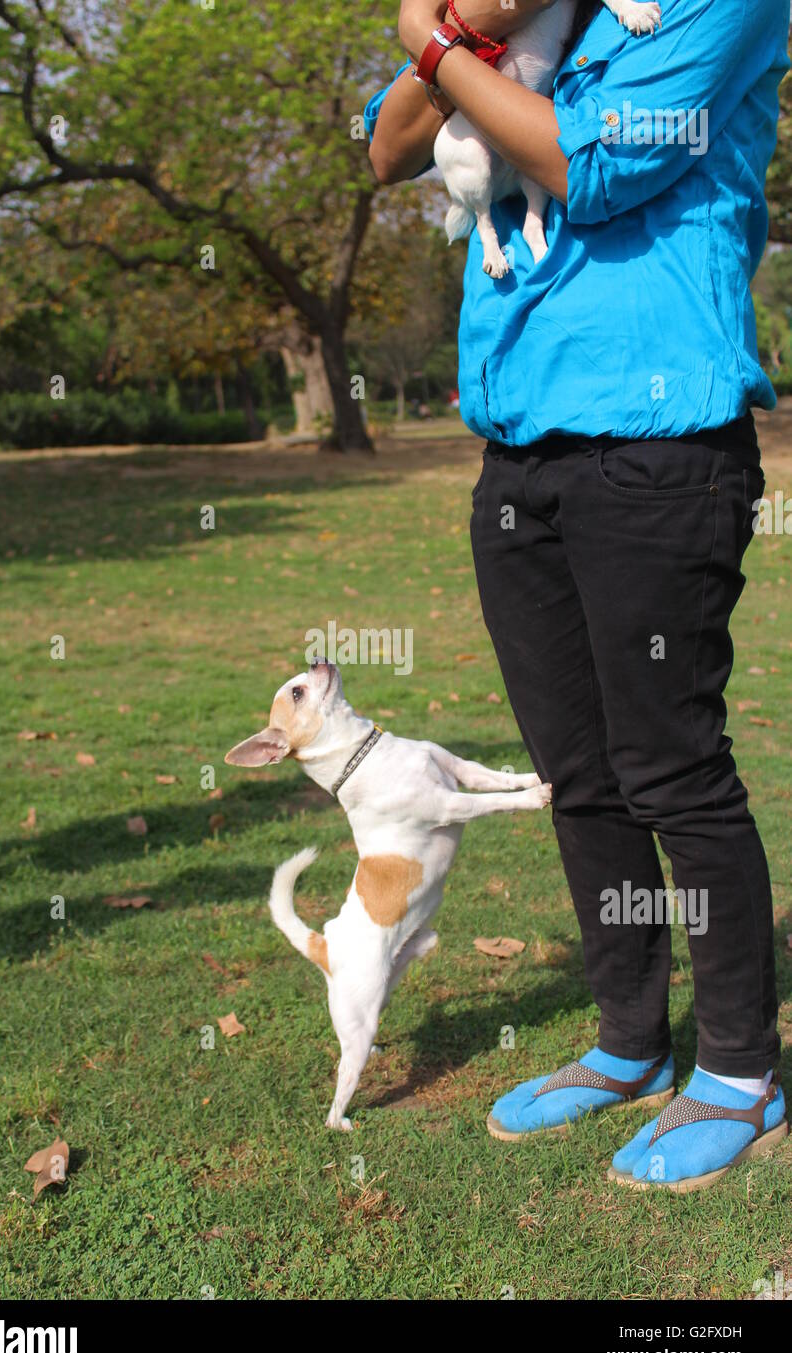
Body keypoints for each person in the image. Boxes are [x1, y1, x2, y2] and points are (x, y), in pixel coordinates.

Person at [365, 0, 790, 1191]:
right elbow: (390, 148)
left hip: (655, 446)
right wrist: (459, 31)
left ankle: (738, 1067)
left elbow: (584, 168)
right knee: (578, 775)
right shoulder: (527, 10)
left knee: (669, 768)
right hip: (518, 452)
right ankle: (625, 1040)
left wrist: (434, 38)